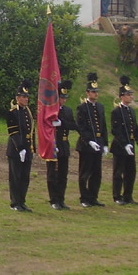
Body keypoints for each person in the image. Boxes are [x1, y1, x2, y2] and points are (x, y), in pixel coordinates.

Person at [76, 73, 108, 207]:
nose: (96, 94)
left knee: (97, 173)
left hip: (98, 143)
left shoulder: (100, 107)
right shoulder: (82, 108)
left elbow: (103, 126)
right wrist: (89, 140)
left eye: (96, 91)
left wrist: (105, 143)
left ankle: (93, 197)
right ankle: (84, 198)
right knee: (85, 173)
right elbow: (81, 127)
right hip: (86, 145)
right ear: (87, 93)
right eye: (93, 92)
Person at [110, 76, 138, 205]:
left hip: (131, 145)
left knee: (131, 172)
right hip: (120, 146)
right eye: (128, 95)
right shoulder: (116, 111)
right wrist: (125, 144)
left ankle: (128, 196)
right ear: (122, 96)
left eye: (131, 94)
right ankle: (117, 196)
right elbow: (116, 130)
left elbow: (135, 128)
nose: (131, 97)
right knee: (118, 173)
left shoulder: (131, 111)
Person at [6, 80, 36, 212]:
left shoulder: (28, 111)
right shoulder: (12, 112)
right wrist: (20, 148)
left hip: (27, 149)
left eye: (27, 96)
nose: (26, 99)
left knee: (25, 177)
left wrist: (32, 148)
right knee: (15, 177)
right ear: (17, 98)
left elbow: (32, 131)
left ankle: (22, 201)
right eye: (23, 96)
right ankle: (15, 202)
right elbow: (13, 132)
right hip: (16, 150)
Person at [48, 80, 77, 210]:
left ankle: (61, 198)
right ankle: (54, 199)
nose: (63, 100)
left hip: (64, 144)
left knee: (63, 174)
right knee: (53, 174)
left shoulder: (67, 110)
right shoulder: (51, 110)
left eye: (65, 98)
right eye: (61, 98)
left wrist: (62, 123)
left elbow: (73, 125)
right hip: (54, 143)